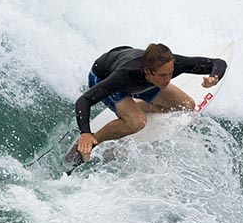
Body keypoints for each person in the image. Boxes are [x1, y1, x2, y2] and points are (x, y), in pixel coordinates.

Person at [70, 43, 227, 164]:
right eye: (163, 75)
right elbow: (84, 101)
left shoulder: (171, 65)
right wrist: (85, 132)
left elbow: (218, 63)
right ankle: (92, 141)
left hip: (142, 81)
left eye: (171, 73)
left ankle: (134, 107)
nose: (168, 79)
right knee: (137, 122)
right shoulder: (124, 75)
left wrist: (214, 78)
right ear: (147, 70)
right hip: (103, 76)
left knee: (187, 105)